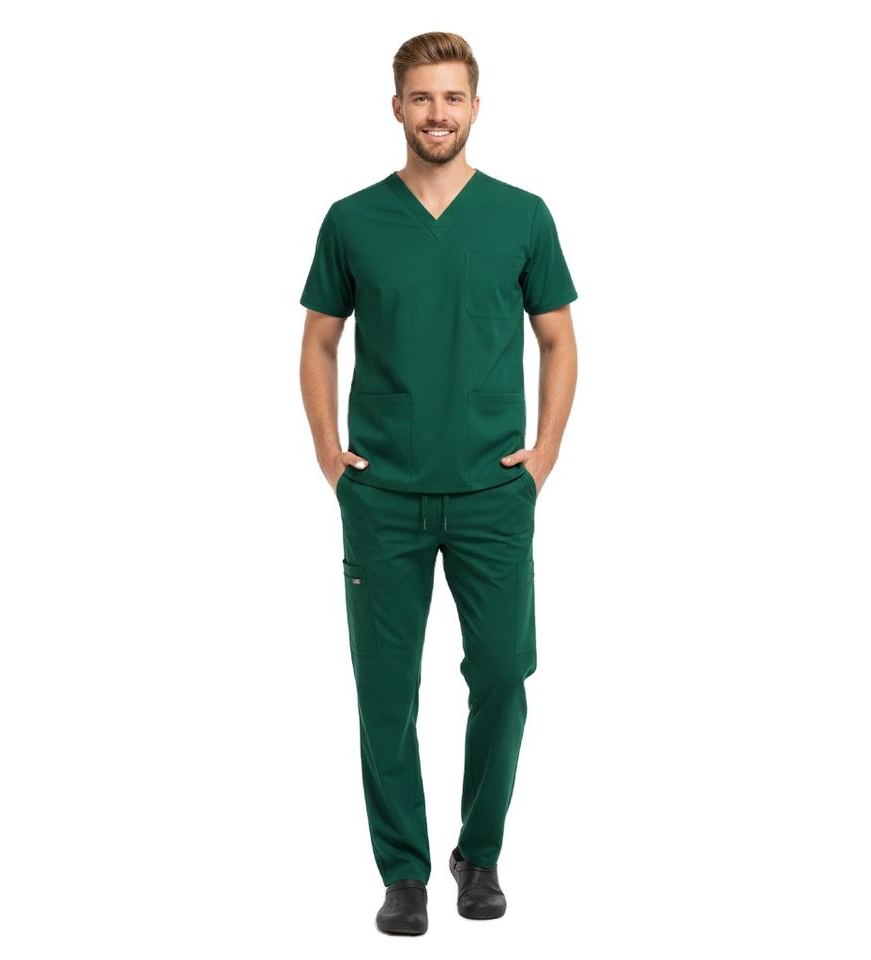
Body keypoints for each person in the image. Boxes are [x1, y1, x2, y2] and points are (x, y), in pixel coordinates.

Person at [298, 31, 578, 935]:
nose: (437, 113)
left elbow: (559, 339)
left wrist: (543, 456)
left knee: (502, 673)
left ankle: (479, 854)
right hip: (382, 495)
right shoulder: (352, 220)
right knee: (386, 691)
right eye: (421, 97)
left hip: (494, 494)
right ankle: (403, 873)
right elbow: (319, 341)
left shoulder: (522, 216)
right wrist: (329, 455)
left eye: (452, 97)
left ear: (476, 107)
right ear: (396, 108)